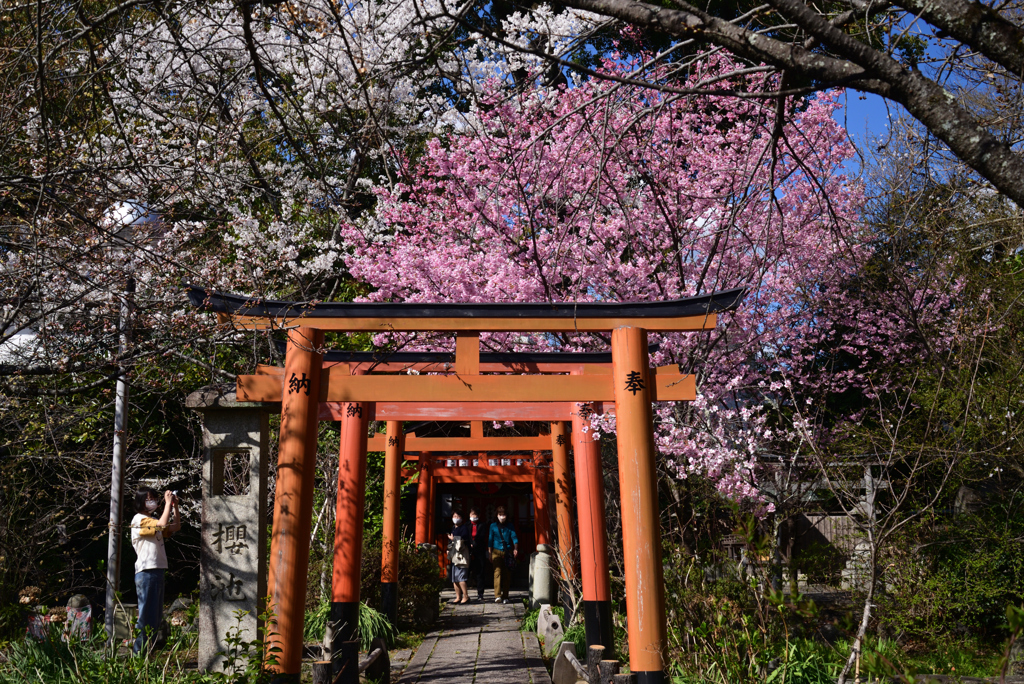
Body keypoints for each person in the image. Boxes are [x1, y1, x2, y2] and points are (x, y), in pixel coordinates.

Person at [130, 488, 180, 654]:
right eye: (149, 498)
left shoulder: (153, 520)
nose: (153, 501)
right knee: (147, 616)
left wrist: (174, 507)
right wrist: (167, 504)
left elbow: (175, 527)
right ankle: (139, 654)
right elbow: (162, 524)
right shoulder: (139, 519)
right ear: (140, 501)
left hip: (156, 570)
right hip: (147, 571)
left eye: (154, 498)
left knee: (155, 617)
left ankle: (147, 654)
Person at [487, 505, 518, 604]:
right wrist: (489, 552)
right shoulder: (493, 526)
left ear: (506, 515)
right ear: (497, 515)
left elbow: (514, 537)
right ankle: (497, 595)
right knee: (497, 572)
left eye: (503, 514)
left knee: (507, 574)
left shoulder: (510, 526)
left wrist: (515, 548)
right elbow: (490, 540)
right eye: (500, 514)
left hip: (507, 551)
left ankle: (505, 596)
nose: (502, 516)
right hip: (496, 551)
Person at [447, 510, 472, 604]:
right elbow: (450, 542)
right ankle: (458, 597)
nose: (456, 518)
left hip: (461, 556)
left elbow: (462, 542)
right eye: (454, 516)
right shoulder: (453, 528)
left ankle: (466, 596)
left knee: (461, 577)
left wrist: (453, 539)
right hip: (454, 556)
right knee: (454, 578)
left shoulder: (464, 528)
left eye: (458, 517)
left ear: (462, 518)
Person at [467, 507, 489, 601]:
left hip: (479, 551)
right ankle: (464, 593)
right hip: (468, 551)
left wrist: (474, 543)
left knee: (480, 572)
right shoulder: (466, 525)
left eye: (475, 514)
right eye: (472, 514)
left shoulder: (482, 525)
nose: (473, 516)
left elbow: (482, 536)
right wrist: (470, 544)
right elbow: (465, 536)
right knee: (467, 571)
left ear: (479, 516)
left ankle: (480, 593)